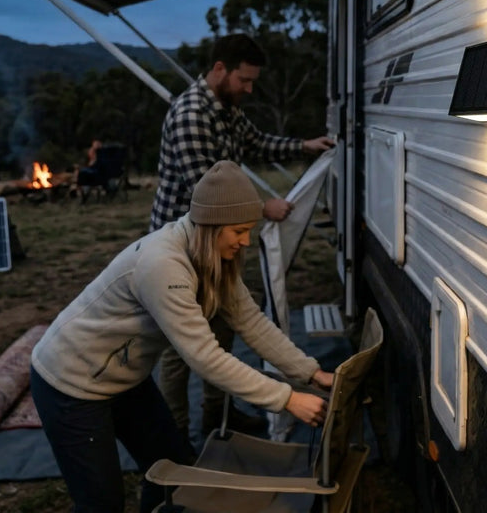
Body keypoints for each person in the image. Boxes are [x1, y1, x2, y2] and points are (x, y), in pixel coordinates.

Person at [31, 161, 334, 513]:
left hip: (124, 379)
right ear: (212, 226)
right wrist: (287, 399)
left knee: (173, 471)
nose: (246, 241)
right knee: (102, 503)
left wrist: (310, 373)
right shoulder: (163, 265)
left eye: (249, 230)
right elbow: (204, 356)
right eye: (239, 230)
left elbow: (251, 322)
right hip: (70, 382)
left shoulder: (213, 255)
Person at [150, 32, 333, 437]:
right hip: (185, 248)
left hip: (220, 245)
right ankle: (174, 438)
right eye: (244, 80)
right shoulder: (191, 115)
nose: (249, 89)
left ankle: (219, 421)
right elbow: (205, 190)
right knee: (182, 350)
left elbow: (257, 142)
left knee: (223, 332)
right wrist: (262, 207)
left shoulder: (227, 109)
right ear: (219, 69)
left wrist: (305, 146)